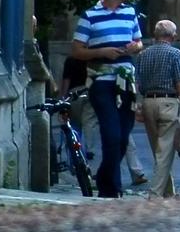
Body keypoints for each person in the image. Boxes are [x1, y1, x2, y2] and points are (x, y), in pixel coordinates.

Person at [70, 0, 146, 198]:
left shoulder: (130, 13)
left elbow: (139, 42)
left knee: (123, 136)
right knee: (111, 134)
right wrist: (101, 51)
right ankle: (110, 187)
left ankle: (105, 179)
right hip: (101, 81)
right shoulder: (90, 15)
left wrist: (135, 47)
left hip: (126, 81)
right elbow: (76, 51)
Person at [61, 53, 148, 189]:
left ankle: (91, 170)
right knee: (120, 130)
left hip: (79, 94)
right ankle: (136, 171)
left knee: (86, 131)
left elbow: (66, 80)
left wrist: (63, 98)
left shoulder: (72, 58)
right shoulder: (99, 56)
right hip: (98, 91)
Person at [135, 19, 180, 198]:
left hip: (148, 102)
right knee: (164, 152)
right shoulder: (176, 54)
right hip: (168, 103)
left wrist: (138, 105)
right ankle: (155, 195)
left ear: (156, 35)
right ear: (173, 36)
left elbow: (138, 83)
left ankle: (169, 193)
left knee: (159, 149)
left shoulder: (143, 55)